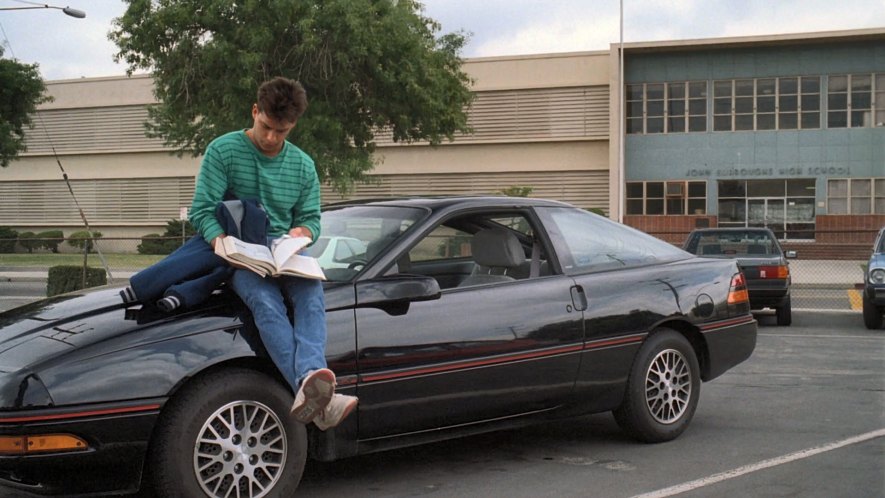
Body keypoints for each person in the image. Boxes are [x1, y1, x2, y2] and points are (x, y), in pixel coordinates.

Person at [189, 77, 356, 430]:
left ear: (294, 125)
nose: (270, 138)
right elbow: (202, 209)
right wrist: (220, 241)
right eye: (265, 127)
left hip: (286, 253)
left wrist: (302, 233)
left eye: (282, 131)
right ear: (255, 111)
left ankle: (311, 379)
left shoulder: (303, 165)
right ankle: (316, 396)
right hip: (240, 253)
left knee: (311, 296)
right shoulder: (223, 150)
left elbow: (311, 220)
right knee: (265, 304)